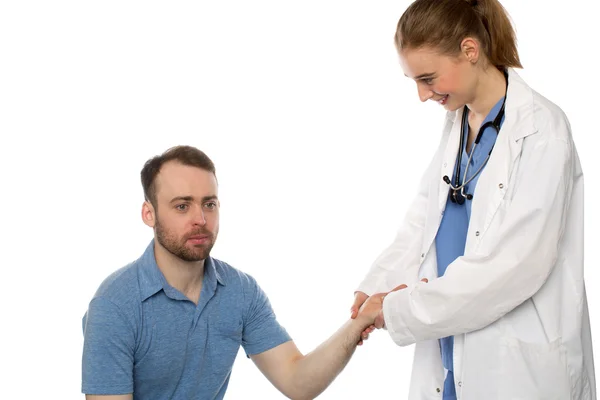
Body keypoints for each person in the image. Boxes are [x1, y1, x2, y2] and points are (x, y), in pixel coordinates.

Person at [349, 0, 596, 399]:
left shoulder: (542, 131)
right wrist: (378, 285)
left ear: (470, 50)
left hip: (515, 364)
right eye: (414, 80)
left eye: (428, 78)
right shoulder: (460, 122)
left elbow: (514, 265)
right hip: (453, 349)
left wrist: (398, 311)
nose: (421, 95)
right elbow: (424, 220)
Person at [81, 145, 383, 400]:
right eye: (182, 206)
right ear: (149, 214)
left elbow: (296, 380)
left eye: (209, 204)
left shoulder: (239, 290)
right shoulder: (114, 306)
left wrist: (359, 322)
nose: (200, 219)